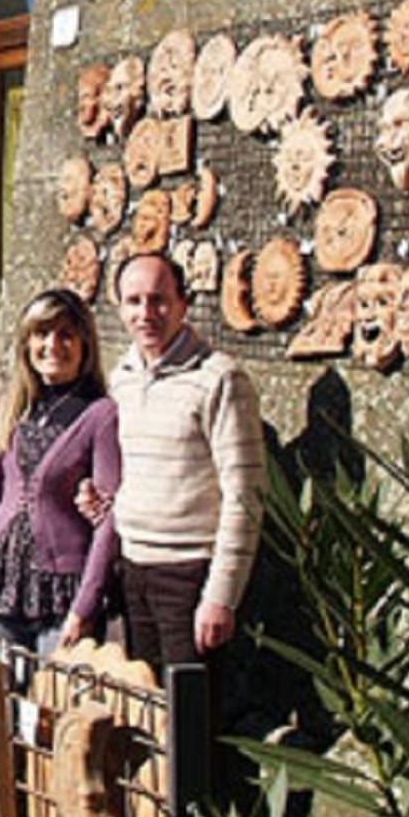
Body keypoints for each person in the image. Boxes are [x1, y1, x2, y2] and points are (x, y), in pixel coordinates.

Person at [97, 251, 265, 679]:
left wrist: (221, 596)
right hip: (132, 570)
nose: (146, 313)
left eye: (159, 299)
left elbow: (244, 494)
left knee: (192, 724)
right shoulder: (121, 380)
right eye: (133, 301)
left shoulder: (221, 379)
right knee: (146, 710)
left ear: (183, 304)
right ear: (119, 308)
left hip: (190, 575)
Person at [0, 287, 120, 655]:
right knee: (0, 702)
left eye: (66, 335)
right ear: (27, 343)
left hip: (62, 594)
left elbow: (109, 518)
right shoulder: (10, 411)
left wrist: (85, 605)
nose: (53, 345)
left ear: (84, 345)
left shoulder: (101, 415)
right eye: (42, 334)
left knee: (58, 707)